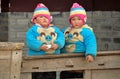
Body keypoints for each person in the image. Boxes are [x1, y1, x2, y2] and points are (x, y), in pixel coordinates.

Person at [26, 3, 65, 79]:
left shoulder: (55, 29)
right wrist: (40, 46)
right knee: (37, 76)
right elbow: (30, 41)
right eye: (41, 17)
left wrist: (57, 44)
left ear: (50, 19)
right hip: (37, 59)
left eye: (46, 17)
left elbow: (61, 37)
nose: (44, 19)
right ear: (35, 20)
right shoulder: (33, 30)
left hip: (51, 58)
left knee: (51, 75)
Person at [60, 3, 97, 79]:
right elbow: (59, 38)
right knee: (65, 75)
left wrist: (90, 54)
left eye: (79, 19)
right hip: (65, 62)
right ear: (70, 21)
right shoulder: (66, 31)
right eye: (73, 19)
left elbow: (91, 43)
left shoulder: (87, 31)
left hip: (80, 60)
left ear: (84, 20)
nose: (76, 22)